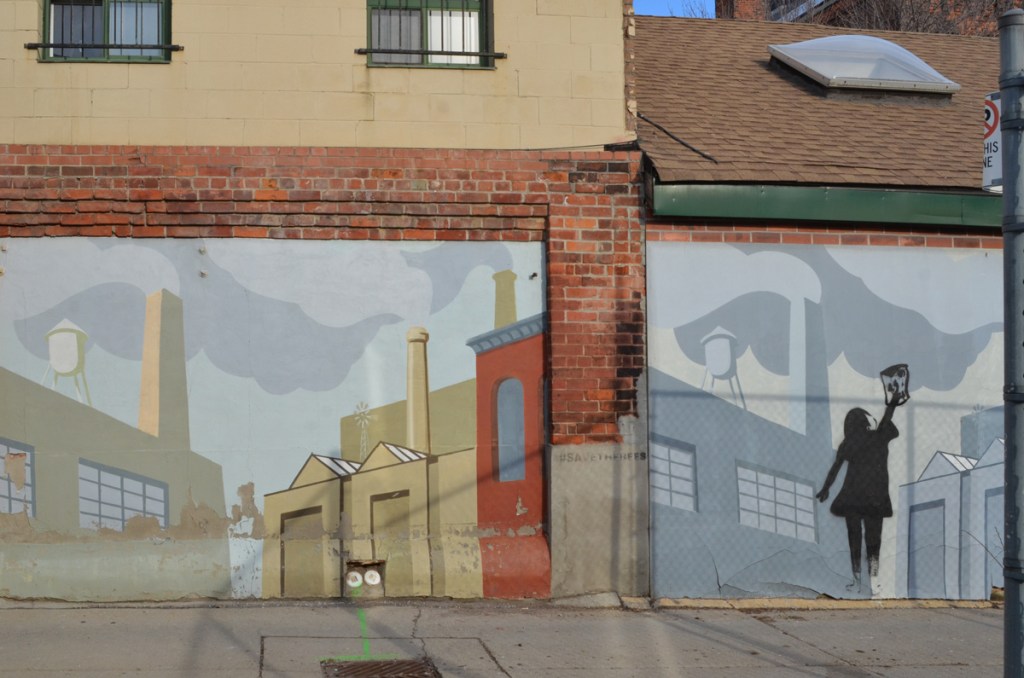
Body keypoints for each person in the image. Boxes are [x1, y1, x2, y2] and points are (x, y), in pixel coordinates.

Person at [816, 391, 907, 594]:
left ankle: (858, 581)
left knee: (854, 539)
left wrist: (826, 489)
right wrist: (892, 403)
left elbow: (835, 468)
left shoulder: (849, 443)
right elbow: (888, 419)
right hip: (875, 498)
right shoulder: (879, 437)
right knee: (874, 542)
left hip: (853, 497)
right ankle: (873, 581)